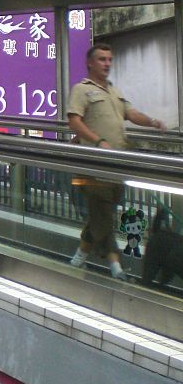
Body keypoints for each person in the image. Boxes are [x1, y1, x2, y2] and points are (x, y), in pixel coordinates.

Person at [67, 43, 166, 280]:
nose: (107, 64)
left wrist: (152, 122)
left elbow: (131, 113)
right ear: (90, 62)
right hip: (94, 165)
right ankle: (116, 268)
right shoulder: (82, 90)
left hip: (116, 166)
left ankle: (77, 260)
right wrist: (98, 141)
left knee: (99, 216)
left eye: (109, 59)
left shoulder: (113, 90)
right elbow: (74, 121)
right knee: (103, 216)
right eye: (102, 59)